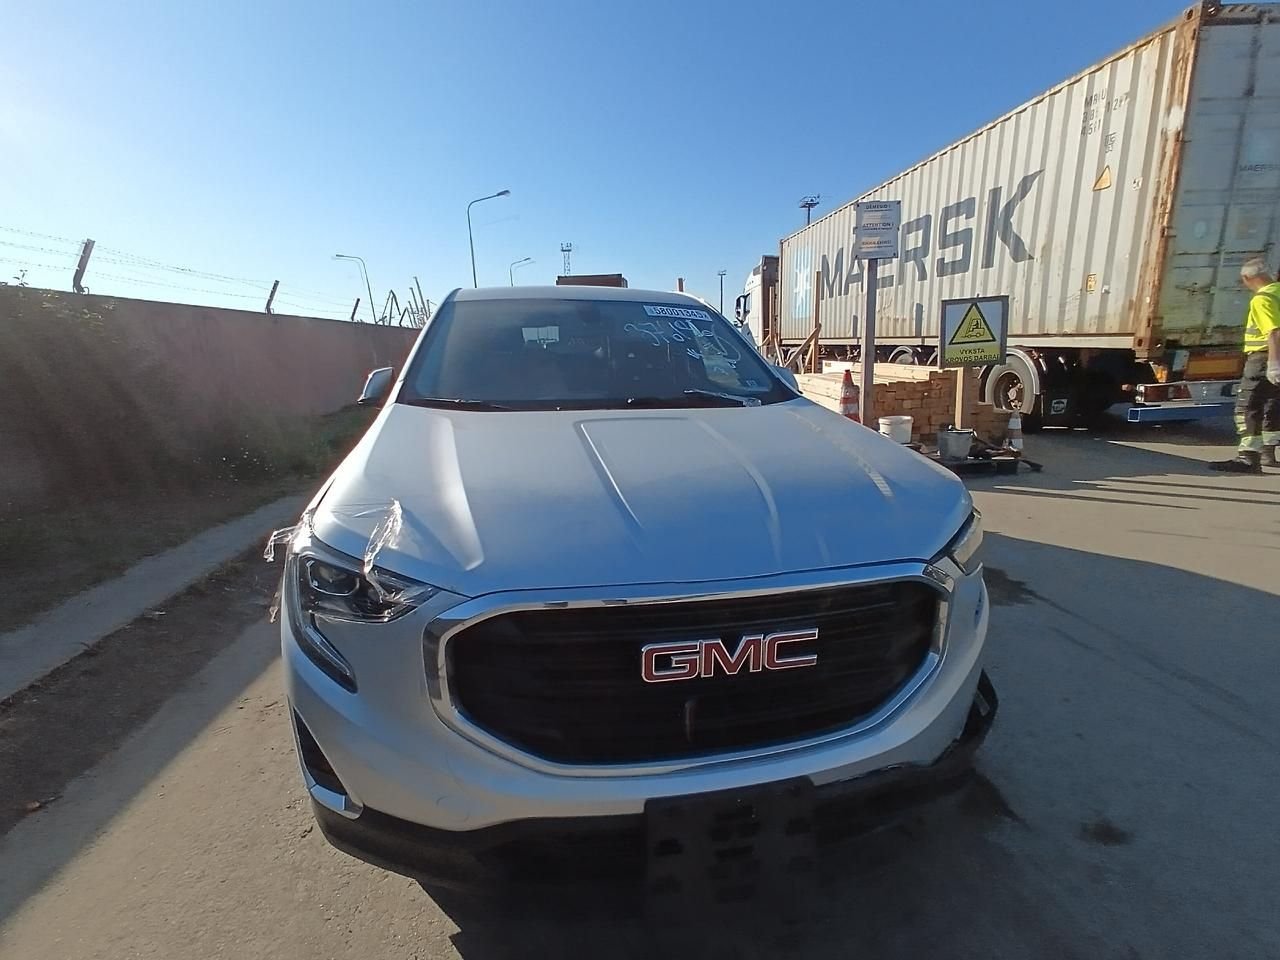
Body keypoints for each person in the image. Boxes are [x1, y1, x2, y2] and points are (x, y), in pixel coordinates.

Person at [1210, 257, 1280, 473]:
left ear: (1248, 278)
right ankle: (1268, 453)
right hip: (1272, 357)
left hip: (1262, 358)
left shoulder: (1262, 299)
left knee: (1248, 406)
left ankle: (1248, 458)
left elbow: (1274, 332)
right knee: (1271, 404)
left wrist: (1274, 364)